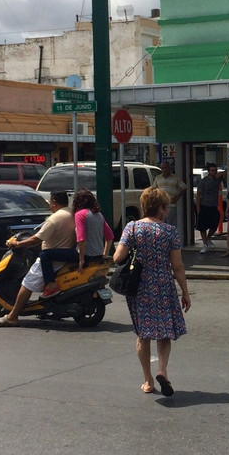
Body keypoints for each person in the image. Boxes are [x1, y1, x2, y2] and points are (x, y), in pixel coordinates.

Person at [114, 186, 191, 396]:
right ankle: (162, 370)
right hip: (163, 286)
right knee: (164, 332)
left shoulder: (132, 228)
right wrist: (184, 291)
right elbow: (177, 266)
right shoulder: (169, 231)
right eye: (165, 208)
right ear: (160, 209)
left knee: (143, 334)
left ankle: (148, 381)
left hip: (139, 287)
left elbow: (117, 258)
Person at [0, 191, 76, 326]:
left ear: (53, 202)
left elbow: (36, 239)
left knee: (27, 283)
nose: (50, 206)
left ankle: (12, 317)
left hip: (52, 260)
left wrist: (18, 244)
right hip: (63, 256)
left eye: (50, 203)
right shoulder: (70, 214)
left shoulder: (55, 218)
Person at [37, 189, 113, 298]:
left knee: (45, 255)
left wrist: (81, 260)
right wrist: (104, 254)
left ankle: (52, 285)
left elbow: (81, 239)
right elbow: (109, 237)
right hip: (97, 256)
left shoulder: (80, 214)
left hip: (85, 255)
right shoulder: (98, 215)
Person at [194, 162, 222, 253]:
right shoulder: (203, 181)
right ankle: (205, 244)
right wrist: (198, 208)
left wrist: (219, 174)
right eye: (212, 170)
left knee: (214, 225)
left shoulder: (217, 180)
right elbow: (198, 195)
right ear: (208, 171)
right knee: (203, 227)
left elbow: (227, 172)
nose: (214, 172)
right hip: (204, 206)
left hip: (214, 206)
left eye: (215, 170)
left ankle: (208, 238)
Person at [153, 160, 187, 227]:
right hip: (161, 206)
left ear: (169, 168)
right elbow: (154, 189)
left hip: (171, 206)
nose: (164, 169)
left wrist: (177, 197)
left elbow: (185, 187)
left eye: (166, 168)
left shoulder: (175, 178)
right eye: (163, 168)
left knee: (171, 225)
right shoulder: (158, 178)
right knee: (161, 225)